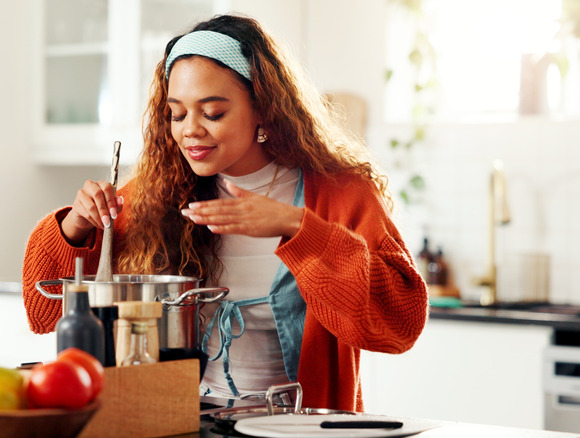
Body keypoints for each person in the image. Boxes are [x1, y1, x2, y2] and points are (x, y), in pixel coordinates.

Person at [22, 14, 428, 411]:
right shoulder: (154, 196)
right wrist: (75, 226)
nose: (190, 130)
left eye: (212, 113)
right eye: (176, 114)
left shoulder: (342, 194)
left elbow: (399, 326)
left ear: (264, 108)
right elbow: (43, 312)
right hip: (180, 423)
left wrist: (298, 227)